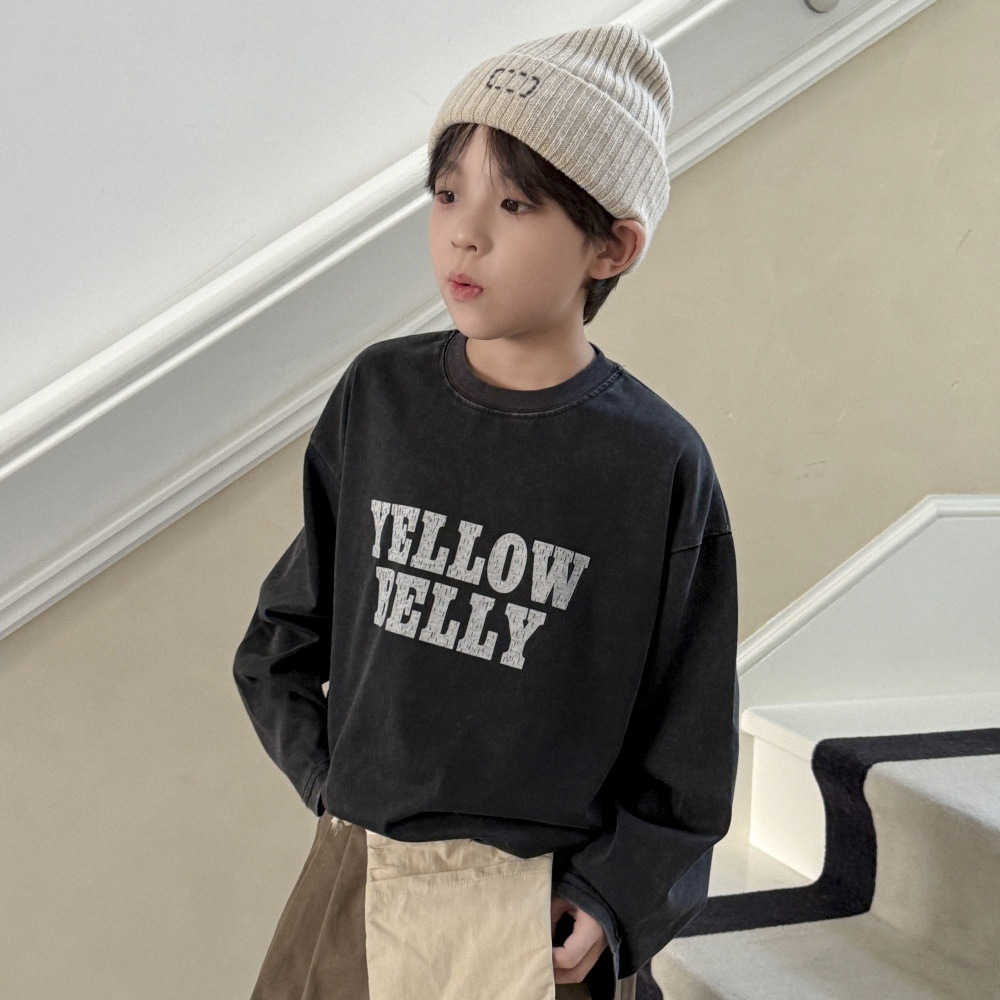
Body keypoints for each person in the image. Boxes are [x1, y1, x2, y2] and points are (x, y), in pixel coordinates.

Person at [232, 20, 739, 1000]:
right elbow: (280, 638)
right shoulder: (379, 400)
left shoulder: (655, 464)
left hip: (534, 922)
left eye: (515, 202)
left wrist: (615, 897)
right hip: (359, 881)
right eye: (447, 193)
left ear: (610, 245)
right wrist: (335, 786)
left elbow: (689, 744)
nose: (465, 232)